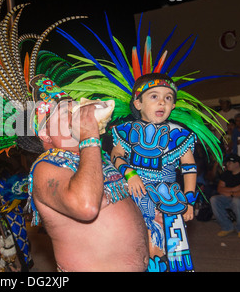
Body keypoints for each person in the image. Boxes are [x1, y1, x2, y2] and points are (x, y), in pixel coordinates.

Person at [27, 75, 149, 272]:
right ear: (45, 132)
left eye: (75, 110)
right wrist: (90, 136)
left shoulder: (95, 157)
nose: (75, 116)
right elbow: (86, 207)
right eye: (66, 113)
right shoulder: (46, 167)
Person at [111, 73, 198, 272]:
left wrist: (190, 200)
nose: (162, 102)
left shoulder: (180, 135)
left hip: (169, 199)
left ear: (173, 106)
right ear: (138, 103)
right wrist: (130, 174)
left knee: (169, 252)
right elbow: (116, 155)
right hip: (133, 195)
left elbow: (189, 168)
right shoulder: (125, 130)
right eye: (154, 96)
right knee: (132, 251)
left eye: (168, 98)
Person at [210, 154, 240, 239]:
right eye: (227, 162)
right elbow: (220, 189)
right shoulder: (226, 174)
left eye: (230, 162)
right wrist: (234, 189)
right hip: (230, 196)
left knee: (237, 200)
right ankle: (227, 227)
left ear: (237, 164)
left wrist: (231, 194)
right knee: (214, 199)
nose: (227, 164)